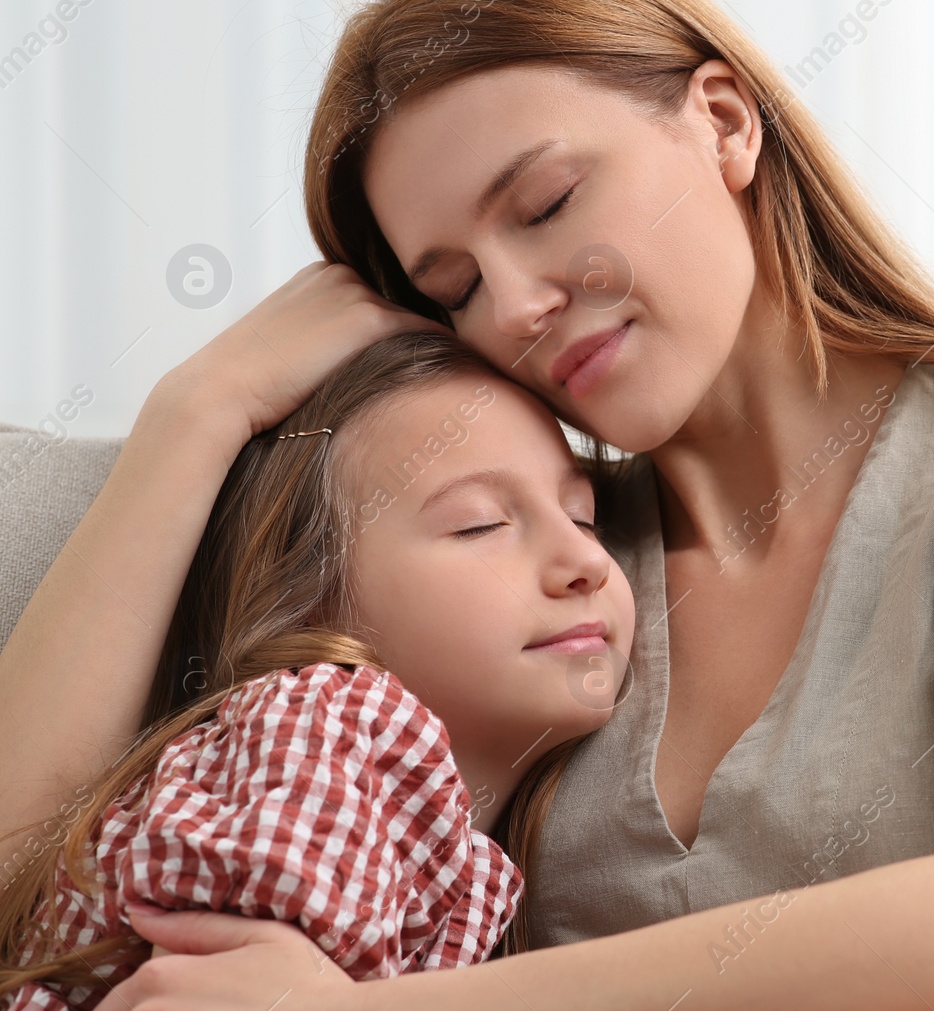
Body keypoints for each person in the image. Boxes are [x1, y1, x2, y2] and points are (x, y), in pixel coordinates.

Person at [0, 0, 934, 1007]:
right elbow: (25, 868)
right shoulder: (531, 583)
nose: (519, 303)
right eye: (452, 286)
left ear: (720, 120)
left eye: (546, 202)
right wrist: (197, 410)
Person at [0, 332, 635, 1007]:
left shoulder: (452, 839)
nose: (586, 561)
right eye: (478, 525)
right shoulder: (325, 725)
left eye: (583, 516)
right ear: (312, 611)